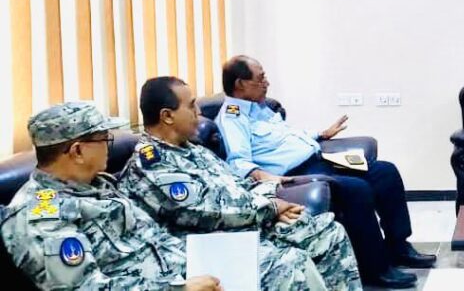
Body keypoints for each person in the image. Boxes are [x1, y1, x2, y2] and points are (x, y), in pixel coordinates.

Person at [120, 76, 363, 291]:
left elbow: (239, 185)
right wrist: (270, 208)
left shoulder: (194, 150)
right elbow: (204, 210)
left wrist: (271, 200)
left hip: (245, 229)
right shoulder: (151, 163)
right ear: (167, 116)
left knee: (328, 232)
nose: (199, 112)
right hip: (207, 247)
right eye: (191, 105)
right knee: (288, 264)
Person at [216, 56, 434, 289]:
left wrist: (321, 134)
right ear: (240, 84)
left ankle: (398, 246)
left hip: (319, 160)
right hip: (298, 177)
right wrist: (266, 177)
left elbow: (286, 137)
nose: (266, 83)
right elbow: (238, 161)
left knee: (385, 172)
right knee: (357, 189)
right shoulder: (233, 116)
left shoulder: (260, 108)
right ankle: (376, 269)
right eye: (260, 79)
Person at [0, 102, 221, 290]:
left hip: (188, 269)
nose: (109, 146)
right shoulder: (41, 218)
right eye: (105, 139)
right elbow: (87, 288)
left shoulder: (97, 183)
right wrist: (180, 288)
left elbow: (154, 236)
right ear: (77, 151)